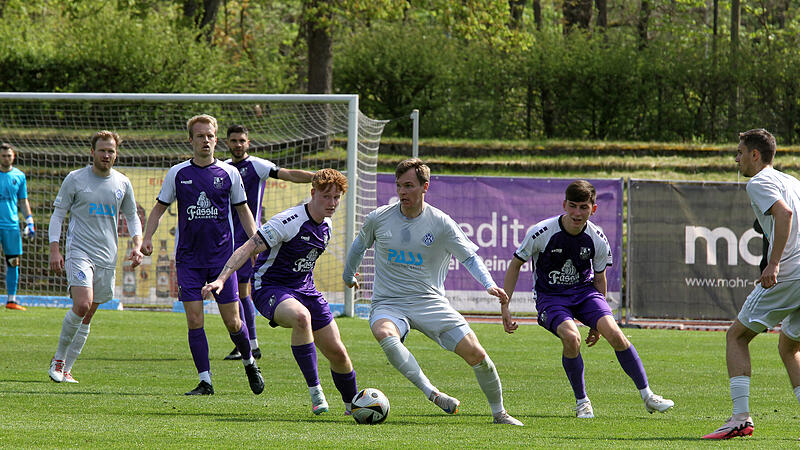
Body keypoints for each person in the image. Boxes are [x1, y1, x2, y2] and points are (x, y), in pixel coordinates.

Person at [343, 158, 524, 426]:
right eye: (399, 186)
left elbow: (469, 258)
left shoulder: (441, 223)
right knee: (384, 333)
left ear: (425, 187)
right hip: (389, 303)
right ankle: (433, 393)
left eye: (409, 186)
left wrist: (488, 284)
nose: (402, 192)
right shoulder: (379, 218)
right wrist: (348, 277)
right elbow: (358, 247)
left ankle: (500, 414)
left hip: (430, 303)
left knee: (477, 355)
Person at [502, 180, 674, 419]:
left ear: (593, 209)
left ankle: (648, 396)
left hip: (585, 294)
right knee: (572, 338)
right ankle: (582, 402)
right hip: (551, 298)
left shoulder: (597, 238)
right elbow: (515, 265)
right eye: (572, 206)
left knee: (616, 335)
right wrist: (505, 306)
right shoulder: (542, 232)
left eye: (583, 207)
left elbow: (599, 278)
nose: (577, 213)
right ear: (564, 205)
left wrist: (597, 323)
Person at [203, 168, 358, 415]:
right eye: (326, 196)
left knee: (338, 353)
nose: (332, 203)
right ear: (313, 193)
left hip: (306, 289)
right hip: (270, 288)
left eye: (336, 198)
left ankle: (354, 406)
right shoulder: (288, 221)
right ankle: (316, 391)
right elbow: (248, 247)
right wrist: (222, 278)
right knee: (301, 317)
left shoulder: (327, 225)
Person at [141, 114, 264, 396]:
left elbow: (244, 211)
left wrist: (256, 243)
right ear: (191, 140)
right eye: (200, 136)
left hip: (222, 262)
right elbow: (159, 208)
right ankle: (205, 381)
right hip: (188, 261)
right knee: (195, 320)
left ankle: (249, 362)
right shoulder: (178, 173)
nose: (205, 140)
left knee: (233, 322)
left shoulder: (229, 173)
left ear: (216, 139)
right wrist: (147, 238)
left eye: (209, 136)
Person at [703, 129, 800, 439]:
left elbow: (784, 214)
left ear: (755, 155)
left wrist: (774, 263)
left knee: (737, 336)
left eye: (740, 152)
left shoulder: (758, 182)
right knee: (790, 347)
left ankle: (740, 418)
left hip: (790, 273)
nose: (736, 158)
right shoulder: (792, 181)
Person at [47, 131, 142, 384]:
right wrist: (55, 249)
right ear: (92, 152)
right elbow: (58, 215)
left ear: (116, 154)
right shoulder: (75, 179)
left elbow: (132, 217)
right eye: (102, 150)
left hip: (107, 256)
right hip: (79, 251)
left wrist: (137, 245)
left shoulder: (122, 182)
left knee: (88, 315)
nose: (106, 155)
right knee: (82, 304)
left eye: (111, 151)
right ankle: (58, 360)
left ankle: (67, 369)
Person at [221, 124, 314, 361]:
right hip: (225, 238)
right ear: (227, 143)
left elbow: (289, 174)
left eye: (242, 140)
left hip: (249, 239)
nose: (238, 145)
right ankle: (248, 344)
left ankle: (249, 345)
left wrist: (317, 177)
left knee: (242, 292)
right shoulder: (223, 168)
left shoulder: (257, 165)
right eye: (234, 140)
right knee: (234, 293)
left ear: (248, 143)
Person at [0, 143, 35, 311]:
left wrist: (30, 221)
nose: (6, 158)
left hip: (12, 226)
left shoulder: (19, 176)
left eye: (9, 155)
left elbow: (23, 200)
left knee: (13, 262)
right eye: (3, 155)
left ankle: (11, 300)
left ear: (13, 156)